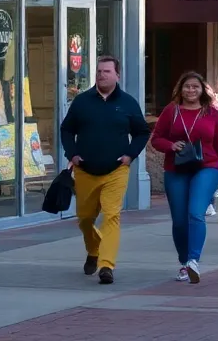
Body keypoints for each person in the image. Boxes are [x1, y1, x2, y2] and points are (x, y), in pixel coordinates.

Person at [59, 54, 151, 285]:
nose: (101, 75)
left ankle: (106, 265)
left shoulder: (128, 103)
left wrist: (130, 155)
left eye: (106, 71)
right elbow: (67, 130)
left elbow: (142, 132)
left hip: (116, 170)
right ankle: (94, 249)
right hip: (85, 170)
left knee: (111, 216)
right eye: (99, 71)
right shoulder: (82, 101)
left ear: (117, 75)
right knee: (85, 218)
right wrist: (72, 154)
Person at [150, 71, 218, 284]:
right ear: (180, 89)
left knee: (195, 212)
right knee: (179, 221)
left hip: (207, 167)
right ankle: (184, 263)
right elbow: (156, 139)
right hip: (176, 169)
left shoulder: (210, 113)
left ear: (202, 89)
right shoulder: (171, 111)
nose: (191, 90)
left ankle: (194, 260)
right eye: (187, 86)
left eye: (196, 86)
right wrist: (170, 145)